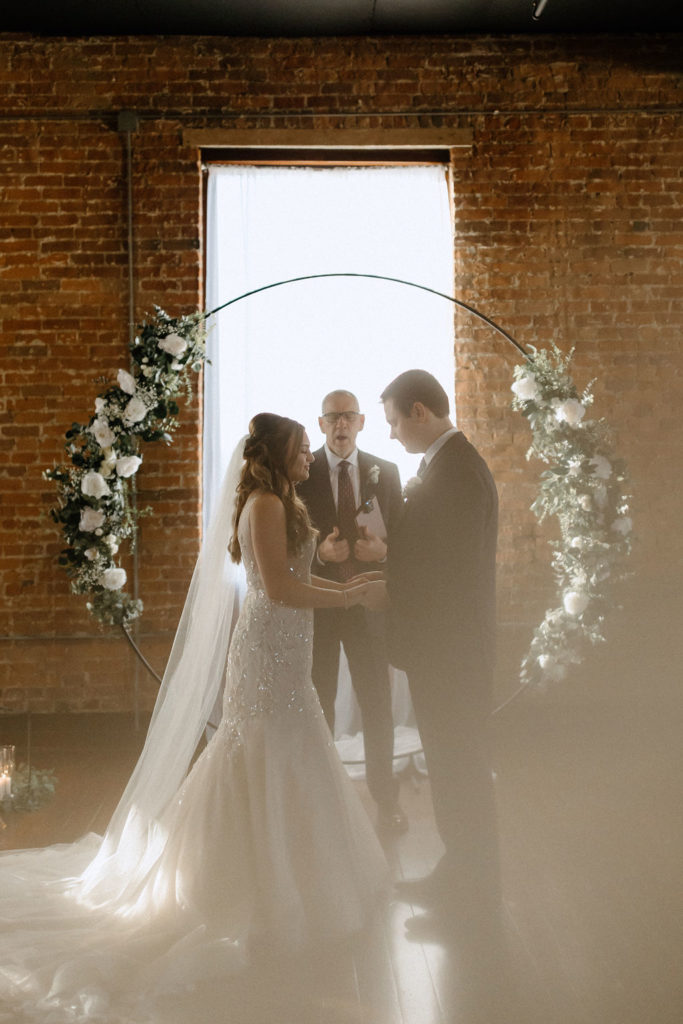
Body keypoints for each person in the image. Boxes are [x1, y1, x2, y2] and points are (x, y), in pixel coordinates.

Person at [0, 413, 389, 1022]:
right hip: (267, 650)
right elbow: (280, 590)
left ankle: (304, 879)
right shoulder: (262, 503)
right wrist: (351, 594)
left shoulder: (281, 499)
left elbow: (295, 574)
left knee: (294, 745)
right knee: (260, 747)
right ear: (276, 455)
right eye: (302, 449)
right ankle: (249, 889)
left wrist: (341, 571)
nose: (310, 457)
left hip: (289, 649)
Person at [380, 370, 502, 947]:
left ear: (420, 412)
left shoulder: (456, 473)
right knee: (452, 769)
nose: (394, 437)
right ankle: (457, 876)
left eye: (394, 423)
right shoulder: (449, 466)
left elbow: (443, 571)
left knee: (463, 771)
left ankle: (474, 901)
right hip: (447, 650)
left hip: (452, 652)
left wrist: (388, 553)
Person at [297, 390, 407, 833]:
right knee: (317, 701)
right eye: (332, 417)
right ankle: (321, 801)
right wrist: (319, 553)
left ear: (362, 422)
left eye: (348, 417)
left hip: (367, 608)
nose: (340, 424)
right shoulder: (301, 476)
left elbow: (403, 537)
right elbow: (286, 546)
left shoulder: (389, 472)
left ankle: (386, 800)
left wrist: (383, 549)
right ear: (321, 425)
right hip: (321, 608)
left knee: (377, 704)